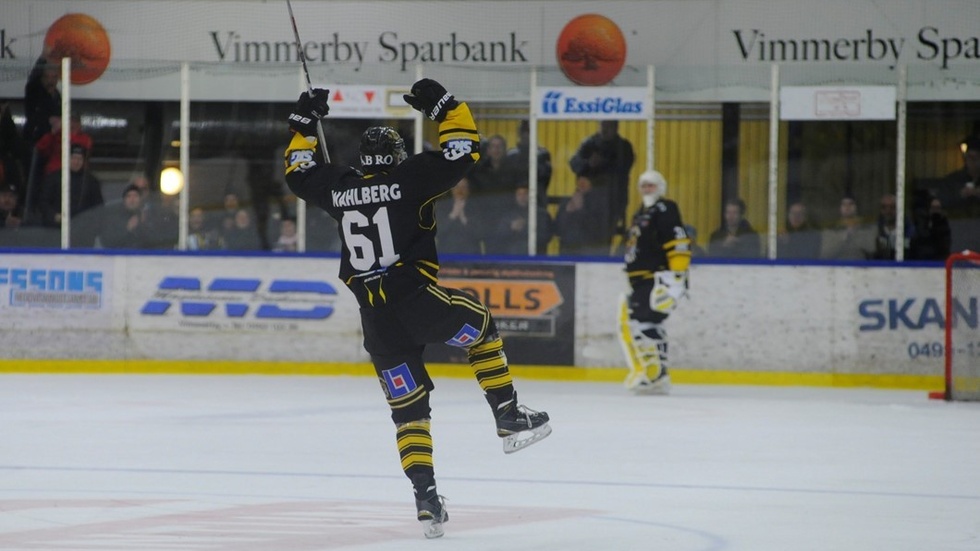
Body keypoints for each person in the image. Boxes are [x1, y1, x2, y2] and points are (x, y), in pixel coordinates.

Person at [283, 79, 551, 539]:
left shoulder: (337, 186)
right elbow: (465, 149)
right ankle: (507, 413)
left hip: (377, 324)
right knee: (481, 324)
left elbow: (297, 170)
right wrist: (445, 106)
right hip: (416, 299)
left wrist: (304, 123)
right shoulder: (409, 180)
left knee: (409, 413)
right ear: (397, 157)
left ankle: (426, 500)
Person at [619, 170, 691, 394]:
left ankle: (655, 375)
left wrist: (677, 278)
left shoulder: (664, 208)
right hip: (641, 279)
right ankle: (656, 374)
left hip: (657, 278)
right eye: (643, 186)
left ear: (661, 187)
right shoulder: (641, 213)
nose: (647, 189)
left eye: (651, 185)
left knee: (644, 324)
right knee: (645, 324)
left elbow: (677, 240)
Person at [568, 120, 636, 248]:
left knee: (603, 233)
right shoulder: (589, 143)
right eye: (602, 126)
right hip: (589, 200)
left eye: (608, 126)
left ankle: (602, 257)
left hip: (613, 199)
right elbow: (574, 163)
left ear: (616, 127)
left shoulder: (623, 146)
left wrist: (601, 164)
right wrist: (588, 163)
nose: (604, 130)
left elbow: (622, 168)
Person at [38, 143, 105, 246]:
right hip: (56, 231)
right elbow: (43, 202)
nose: (76, 162)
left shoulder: (91, 181)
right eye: (73, 158)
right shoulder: (53, 178)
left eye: (80, 159)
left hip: (83, 234)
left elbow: (98, 208)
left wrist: (90, 225)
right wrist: (54, 216)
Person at [937, 135, 980, 253]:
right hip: (958, 233)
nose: (974, 162)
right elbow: (942, 202)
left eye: (977, 158)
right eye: (970, 158)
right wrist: (960, 195)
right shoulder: (952, 180)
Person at [486, 185, 554, 255]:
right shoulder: (509, 215)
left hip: (536, 256)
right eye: (519, 194)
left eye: (525, 193)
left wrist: (525, 228)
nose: (522, 197)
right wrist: (511, 229)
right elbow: (499, 236)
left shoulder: (541, 214)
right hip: (513, 258)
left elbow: (546, 236)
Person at [555, 174, 611, 255]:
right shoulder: (567, 203)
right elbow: (558, 230)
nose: (582, 182)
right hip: (568, 252)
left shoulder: (600, 205)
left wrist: (580, 211)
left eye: (586, 178)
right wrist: (568, 212)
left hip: (591, 253)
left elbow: (598, 231)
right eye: (580, 178)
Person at [505, 119, 553, 208]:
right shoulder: (511, 155)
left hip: (537, 202)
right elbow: (507, 181)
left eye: (528, 131)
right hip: (514, 204)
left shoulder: (542, 155)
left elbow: (543, 179)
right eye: (523, 132)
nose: (525, 135)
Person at [434, 177, 483, 254]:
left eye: (464, 187)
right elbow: (438, 232)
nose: (460, 190)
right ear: (452, 189)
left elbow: (480, 234)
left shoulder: (475, 208)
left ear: (468, 190)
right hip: (447, 255)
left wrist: (463, 218)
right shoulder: (443, 207)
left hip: (471, 256)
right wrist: (453, 215)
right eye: (457, 187)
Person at [820, 196, 876, 260]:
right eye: (844, 204)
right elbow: (824, 255)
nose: (847, 207)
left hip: (862, 268)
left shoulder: (867, 229)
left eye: (851, 204)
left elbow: (872, 250)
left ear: (856, 207)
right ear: (839, 208)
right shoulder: (829, 231)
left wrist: (854, 234)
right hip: (836, 268)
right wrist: (842, 238)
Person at [98, 184, 151, 249]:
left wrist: (144, 225)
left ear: (141, 200)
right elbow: (107, 242)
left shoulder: (149, 218)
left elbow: (156, 242)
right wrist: (127, 228)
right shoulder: (113, 219)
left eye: (135, 196)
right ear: (124, 200)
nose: (132, 200)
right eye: (128, 196)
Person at [872, 193, 914, 260]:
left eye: (892, 207)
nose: (888, 211)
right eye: (884, 207)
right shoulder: (873, 231)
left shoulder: (911, 232)